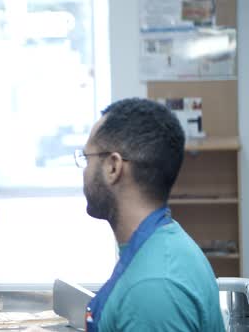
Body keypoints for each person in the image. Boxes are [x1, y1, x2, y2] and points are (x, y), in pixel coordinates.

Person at [76, 98, 223, 331]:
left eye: (86, 159)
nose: (83, 172)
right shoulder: (161, 244)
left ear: (113, 167)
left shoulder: (152, 288)